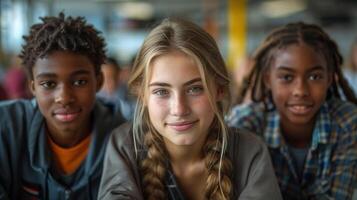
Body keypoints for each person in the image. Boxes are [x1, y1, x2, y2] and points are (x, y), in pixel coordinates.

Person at [98, 18, 282, 200]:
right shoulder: (126, 146)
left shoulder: (249, 151)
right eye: (161, 91)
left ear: (220, 90)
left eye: (195, 89)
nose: (179, 109)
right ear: (142, 95)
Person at [0, 13, 125, 200]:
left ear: (98, 81)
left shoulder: (123, 139)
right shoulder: (6, 127)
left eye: (80, 82)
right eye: (49, 84)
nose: (64, 98)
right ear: (32, 86)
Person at [227, 22, 357, 199]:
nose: (300, 90)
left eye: (314, 77)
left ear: (329, 78)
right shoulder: (243, 125)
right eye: (287, 77)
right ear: (267, 80)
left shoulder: (348, 124)